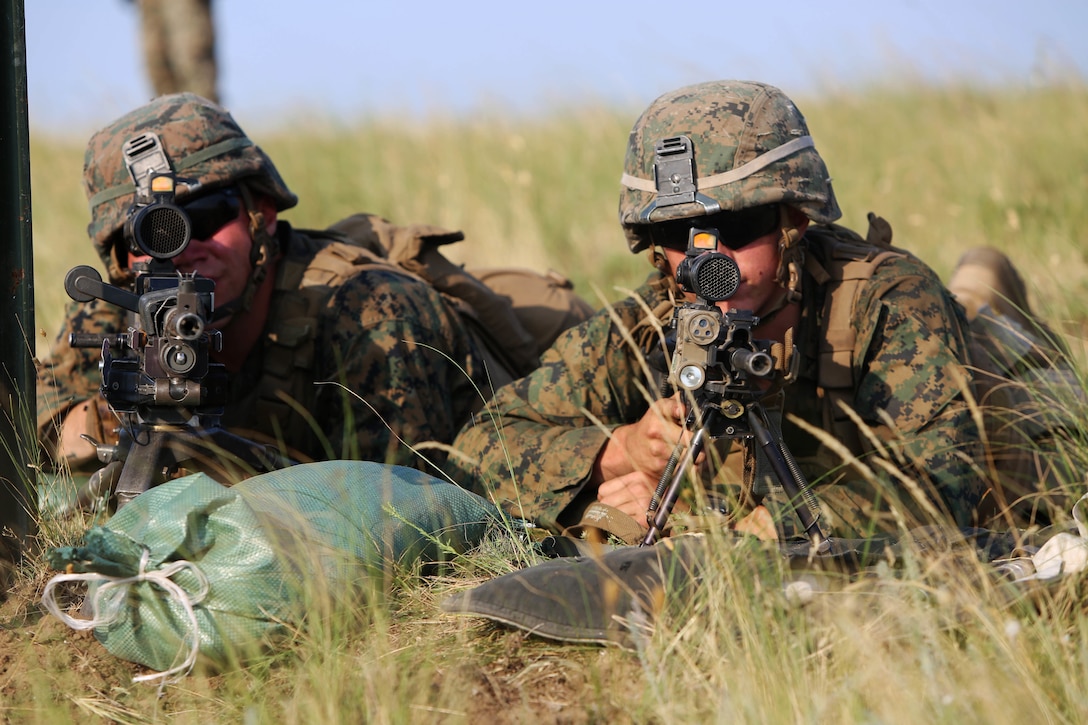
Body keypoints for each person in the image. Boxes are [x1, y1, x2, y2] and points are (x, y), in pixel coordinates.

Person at [449, 80, 1080, 541]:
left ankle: (985, 286)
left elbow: (947, 480)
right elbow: (477, 449)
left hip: (980, 379)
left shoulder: (886, 301)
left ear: (794, 218)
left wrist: (747, 530)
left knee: (1006, 376)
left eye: (739, 225)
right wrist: (620, 453)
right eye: (681, 238)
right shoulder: (645, 326)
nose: (709, 260)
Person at [36, 92, 591, 486]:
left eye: (204, 215)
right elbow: (36, 410)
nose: (178, 250)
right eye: (144, 236)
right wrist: (101, 425)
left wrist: (211, 458)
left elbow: (398, 515)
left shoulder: (372, 314)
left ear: (263, 213)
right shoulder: (118, 311)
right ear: (117, 262)